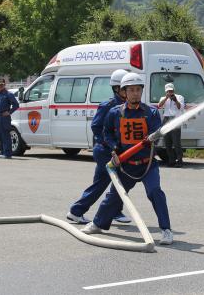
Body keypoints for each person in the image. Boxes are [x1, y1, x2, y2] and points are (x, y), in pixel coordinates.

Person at [82, 73, 173, 245]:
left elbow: (156, 132)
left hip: (147, 165)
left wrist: (150, 139)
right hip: (126, 165)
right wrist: (114, 149)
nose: (135, 93)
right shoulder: (115, 113)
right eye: (131, 90)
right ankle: (98, 224)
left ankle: (166, 230)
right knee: (114, 196)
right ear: (124, 92)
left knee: (155, 192)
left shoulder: (151, 112)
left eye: (138, 90)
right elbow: (106, 132)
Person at [67, 70, 132, 224]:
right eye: (126, 88)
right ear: (117, 89)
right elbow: (96, 127)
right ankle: (77, 210)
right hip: (105, 151)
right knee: (106, 182)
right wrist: (111, 146)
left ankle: (115, 211)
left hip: (116, 151)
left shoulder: (126, 105)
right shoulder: (108, 105)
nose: (130, 91)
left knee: (115, 181)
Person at [158, 83, 185, 167]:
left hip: (175, 120)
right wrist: (166, 98)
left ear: (174, 90)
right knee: (167, 142)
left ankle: (180, 160)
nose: (170, 92)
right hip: (166, 119)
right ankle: (171, 160)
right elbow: (159, 106)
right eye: (168, 91)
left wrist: (175, 100)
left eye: (171, 91)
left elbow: (181, 107)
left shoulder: (180, 97)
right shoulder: (163, 98)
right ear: (166, 91)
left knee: (176, 142)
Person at [0, 78, 19, 159]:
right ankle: (2, 152)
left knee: (5, 135)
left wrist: (9, 112)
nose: (0, 86)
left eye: (1, 85)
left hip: (4, 117)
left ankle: (8, 153)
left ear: (4, 85)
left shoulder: (8, 94)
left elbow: (16, 105)